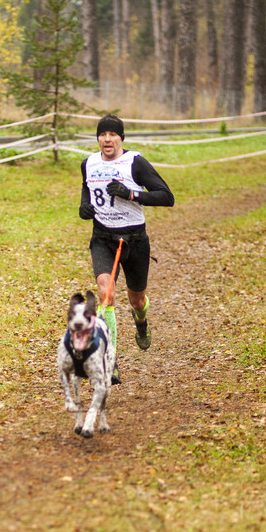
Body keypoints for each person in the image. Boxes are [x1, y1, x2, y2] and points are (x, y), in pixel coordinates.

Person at [79, 114, 175, 383]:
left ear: (122, 138)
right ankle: (110, 360)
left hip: (134, 240)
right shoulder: (88, 163)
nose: (107, 139)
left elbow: (167, 197)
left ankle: (141, 320)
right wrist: (84, 208)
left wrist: (131, 194)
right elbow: (87, 193)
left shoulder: (136, 163)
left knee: (137, 299)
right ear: (97, 138)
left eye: (113, 134)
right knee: (105, 295)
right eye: (102, 134)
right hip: (103, 239)